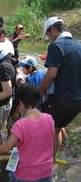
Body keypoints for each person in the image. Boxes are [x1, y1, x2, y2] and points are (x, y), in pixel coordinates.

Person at [0, 83, 55, 182]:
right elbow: (52, 144)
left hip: (27, 175)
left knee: (12, 176)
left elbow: (5, 148)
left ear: (20, 102)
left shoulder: (20, 125)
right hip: (47, 170)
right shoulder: (49, 118)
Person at [39, 16, 81, 151]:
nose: (49, 38)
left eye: (48, 34)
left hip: (61, 99)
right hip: (77, 100)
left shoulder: (56, 46)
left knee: (48, 131)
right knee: (56, 129)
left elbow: (51, 74)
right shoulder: (79, 45)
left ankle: (48, 164)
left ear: (53, 29)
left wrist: (38, 91)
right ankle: (54, 160)